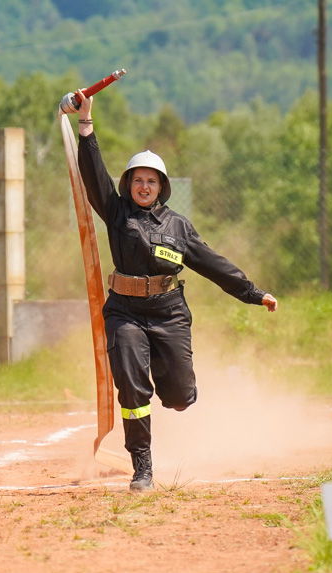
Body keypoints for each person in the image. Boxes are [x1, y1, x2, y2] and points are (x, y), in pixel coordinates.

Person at [74, 89, 278, 491]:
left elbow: (212, 263)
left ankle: (177, 392)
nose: (144, 186)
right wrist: (86, 126)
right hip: (125, 313)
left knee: (181, 398)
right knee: (132, 386)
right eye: (138, 180)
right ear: (128, 184)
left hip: (169, 314)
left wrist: (254, 293)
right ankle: (143, 466)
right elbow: (94, 176)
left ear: (162, 186)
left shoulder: (178, 226)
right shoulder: (116, 213)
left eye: (151, 181)